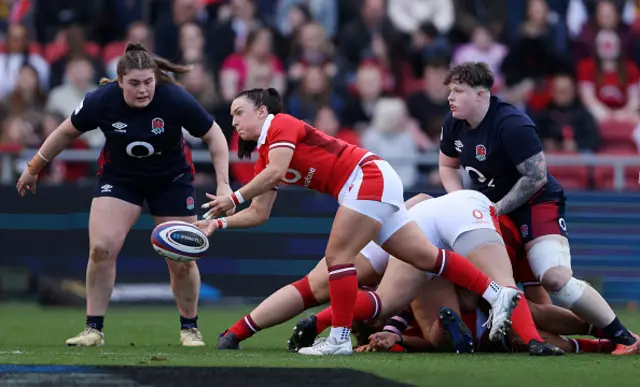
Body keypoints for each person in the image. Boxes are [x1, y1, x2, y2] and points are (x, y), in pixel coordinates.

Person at [196, 87, 520, 356]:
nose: (234, 121)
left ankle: (338, 339)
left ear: (262, 111)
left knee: (338, 258)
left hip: (365, 176)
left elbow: (276, 173)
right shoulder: (266, 157)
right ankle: (496, 293)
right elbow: (259, 213)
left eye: (239, 112)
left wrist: (232, 197)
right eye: (232, 116)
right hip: (374, 180)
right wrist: (220, 224)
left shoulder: (280, 124)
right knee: (425, 257)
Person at [16, 43, 232, 347]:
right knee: (101, 249)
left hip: (172, 180)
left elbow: (214, 135)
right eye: (134, 83)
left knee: (182, 259)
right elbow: (65, 132)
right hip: (121, 179)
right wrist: (34, 167)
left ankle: (189, 328)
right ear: (119, 82)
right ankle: (93, 330)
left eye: (148, 82)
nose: (143, 90)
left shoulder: (174, 98)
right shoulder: (102, 100)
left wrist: (223, 184)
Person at [438, 61, 639, 355]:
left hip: (535, 202)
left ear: (481, 95)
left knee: (554, 278)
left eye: (458, 91)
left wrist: (496, 208)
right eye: (450, 90)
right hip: (492, 209)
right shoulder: (453, 122)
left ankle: (625, 337)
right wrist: (463, 203)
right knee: (478, 285)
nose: (450, 97)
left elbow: (536, 177)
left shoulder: (512, 124)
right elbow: (446, 166)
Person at [287, 190, 563, 356]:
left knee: (388, 303)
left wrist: (395, 336)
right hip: (454, 211)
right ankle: (548, 340)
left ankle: (321, 321)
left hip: (428, 220)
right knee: (510, 297)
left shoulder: (379, 266)